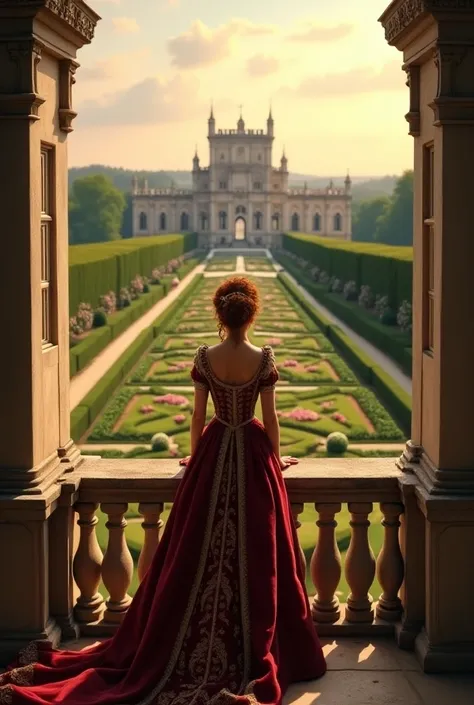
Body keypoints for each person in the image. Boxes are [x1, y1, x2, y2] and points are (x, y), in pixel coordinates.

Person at [0, 276, 326, 705]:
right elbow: (272, 418)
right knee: (259, 556)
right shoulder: (262, 360)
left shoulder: (206, 358)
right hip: (251, 452)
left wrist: (197, 460)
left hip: (213, 451)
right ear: (251, 315)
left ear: (219, 315)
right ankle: (244, 645)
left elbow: (197, 417)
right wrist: (273, 458)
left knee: (191, 555)